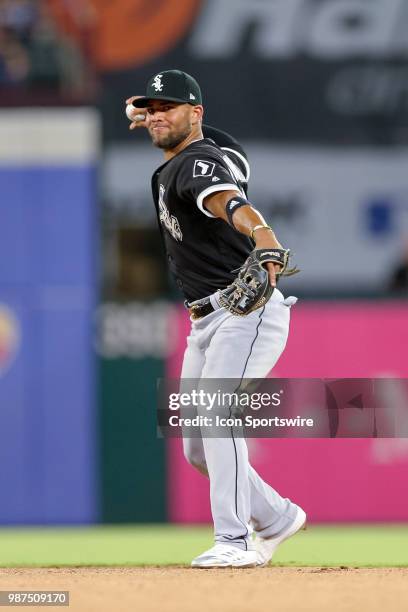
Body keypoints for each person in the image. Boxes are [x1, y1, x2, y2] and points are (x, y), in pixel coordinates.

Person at [126, 70, 306, 568]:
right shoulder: (204, 152)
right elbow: (218, 154)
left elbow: (231, 203)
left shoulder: (195, 166)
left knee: (217, 415)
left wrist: (264, 234)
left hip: (243, 312)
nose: (157, 115)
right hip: (206, 319)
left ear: (197, 113)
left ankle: (235, 541)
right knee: (197, 450)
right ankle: (275, 517)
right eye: (152, 108)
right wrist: (151, 117)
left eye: (169, 107)